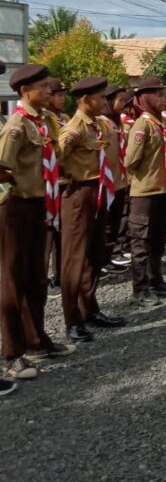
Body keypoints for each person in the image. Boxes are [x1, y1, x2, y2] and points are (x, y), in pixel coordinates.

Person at [0, 65, 72, 382]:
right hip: (16, 207)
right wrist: (11, 196)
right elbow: (1, 168)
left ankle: (36, 340)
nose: (48, 91)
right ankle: (12, 353)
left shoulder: (41, 122)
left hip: (38, 204)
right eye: (42, 87)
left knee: (36, 280)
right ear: (25, 91)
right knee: (13, 283)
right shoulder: (16, 125)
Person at [58, 77, 127, 342]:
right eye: (99, 98)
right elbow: (54, 162)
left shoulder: (97, 125)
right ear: (86, 100)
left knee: (95, 253)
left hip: (98, 189)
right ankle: (72, 319)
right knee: (75, 259)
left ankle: (90, 309)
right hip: (79, 194)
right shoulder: (74, 129)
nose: (103, 102)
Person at [125, 77, 166, 302]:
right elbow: (130, 160)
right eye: (157, 95)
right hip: (144, 192)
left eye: (163, 94)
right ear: (145, 98)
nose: (163, 99)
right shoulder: (142, 125)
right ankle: (140, 288)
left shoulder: (162, 123)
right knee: (141, 241)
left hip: (162, 189)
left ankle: (155, 279)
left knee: (157, 238)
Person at [42, 77, 70, 300]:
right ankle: (42, 280)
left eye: (63, 94)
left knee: (62, 233)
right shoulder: (42, 121)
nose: (63, 99)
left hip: (65, 183)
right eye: (59, 95)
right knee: (48, 233)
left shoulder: (65, 119)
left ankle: (59, 276)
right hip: (47, 184)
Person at [100, 84, 131, 275]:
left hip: (119, 180)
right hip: (106, 181)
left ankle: (108, 257)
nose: (123, 105)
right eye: (120, 100)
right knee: (106, 222)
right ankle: (102, 259)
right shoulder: (102, 123)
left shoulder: (116, 122)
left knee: (114, 220)